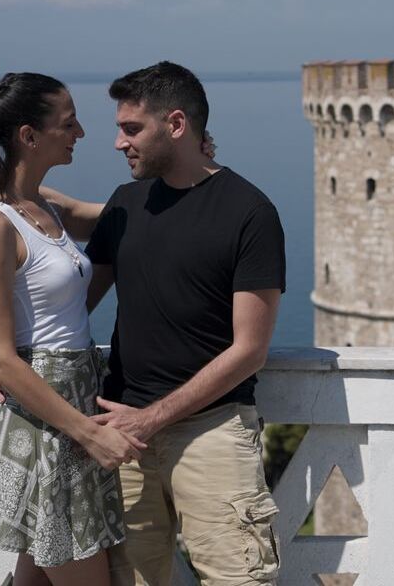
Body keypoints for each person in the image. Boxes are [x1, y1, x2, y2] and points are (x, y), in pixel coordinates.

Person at [73, 61, 287, 586]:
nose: (119, 143)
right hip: (121, 436)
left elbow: (250, 350)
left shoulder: (250, 212)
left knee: (239, 580)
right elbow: (75, 308)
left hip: (210, 432)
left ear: (175, 125)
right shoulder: (125, 205)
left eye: (131, 129)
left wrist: (152, 419)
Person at [0, 72, 139, 586]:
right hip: (49, 418)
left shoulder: (44, 206)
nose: (81, 133)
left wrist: (186, 168)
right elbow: (1, 358)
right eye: (68, 122)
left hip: (72, 401)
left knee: (35, 579)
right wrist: (89, 434)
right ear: (29, 135)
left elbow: (119, 216)